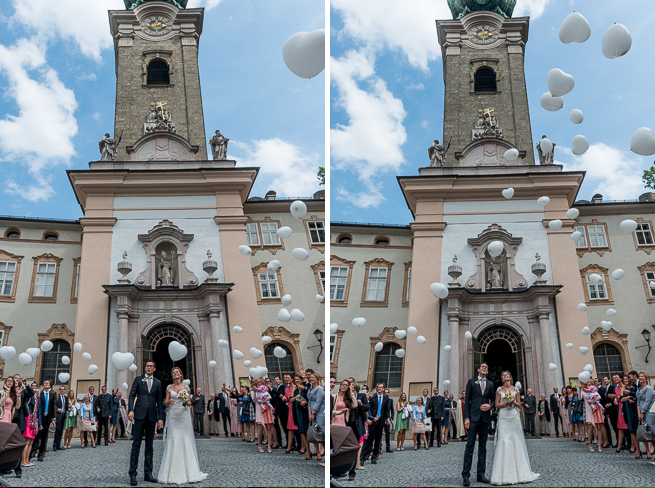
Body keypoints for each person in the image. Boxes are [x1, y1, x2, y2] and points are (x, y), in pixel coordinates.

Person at [157, 367, 208, 484]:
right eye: (174, 372)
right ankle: (170, 472)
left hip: (183, 416)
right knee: (174, 439)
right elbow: (165, 401)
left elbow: (190, 403)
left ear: (181, 375)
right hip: (173, 415)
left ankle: (189, 472)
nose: (175, 373)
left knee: (184, 439)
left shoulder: (186, 387)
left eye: (177, 372)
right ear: (172, 375)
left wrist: (186, 401)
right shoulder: (169, 387)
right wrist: (168, 402)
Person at [490, 371, 539, 485]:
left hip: (513, 416)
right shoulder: (499, 390)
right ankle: (502, 474)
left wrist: (512, 402)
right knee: (503, 440)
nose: (505, 376)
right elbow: (497, 404)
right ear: (502, 379)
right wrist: (505, 404)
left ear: (510, 377)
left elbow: (519, 404)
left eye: (507, 375)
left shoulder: (515, 390)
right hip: (503, 417)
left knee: (515, 440)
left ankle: (520, 472)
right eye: (503, 375)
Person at [127, 360, 164, 486]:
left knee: (149, 447)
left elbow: (159, 401)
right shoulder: (138, 380)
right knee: (136, 444)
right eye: (147, 366)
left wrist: (160, 418)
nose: (148, 368)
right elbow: (131, 396)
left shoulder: (158, 383)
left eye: (150, 366)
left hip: (152, 417)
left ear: (154, 368)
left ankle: (148, 473)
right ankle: (133, 474)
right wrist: (131, 410)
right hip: (139, 415)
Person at [462, 362, 494, 487]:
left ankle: (481, 474)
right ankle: (465, 475)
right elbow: (467, 400)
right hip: (473, 418)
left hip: (485, 419)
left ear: (488, 371)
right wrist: (466, 418)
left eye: (486, 367)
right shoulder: (471, 382)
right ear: (478, 369)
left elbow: (494, 401)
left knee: (483, 448)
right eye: (483, 367)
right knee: (470, 446)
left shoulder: (490, 384)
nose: (485, 368)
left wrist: (490, 406)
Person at [359, 382, 390, 466]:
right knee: (369, 440)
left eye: (380, 387)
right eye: (378, 387)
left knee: (378, 441)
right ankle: (362, 458)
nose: (379, 388)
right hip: (373, 421)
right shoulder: (373, 398)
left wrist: (388, 418)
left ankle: (374, 457)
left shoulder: (386, 399)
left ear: (383, 389)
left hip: (380, 422)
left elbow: (387, 410)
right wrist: (371, 417)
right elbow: (369, 409)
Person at [636, 372, 655, 463]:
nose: (640, 378)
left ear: (646, 379)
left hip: (649, 412)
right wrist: (639, 413)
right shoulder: (639, 389)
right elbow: (638, 402)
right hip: (642, 412)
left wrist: (643, 411)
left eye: (642, 376)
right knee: (644, 432)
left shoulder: (649, 388)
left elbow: (648, 400)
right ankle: (647, 450)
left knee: (651, 432)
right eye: (639, 376)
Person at [21, 381, 40, 468]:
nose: (35, 388)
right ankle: (22, 460)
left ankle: (27, 459)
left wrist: (39, 423)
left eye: (36, 386)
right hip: (28, 419)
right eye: (33, 386)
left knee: (31, 442)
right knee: (26, 441)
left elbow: (39, 412)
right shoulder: (29, 397)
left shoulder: (38, 400)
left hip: (34, 421)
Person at [291, 374, 310, 458]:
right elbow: (291, 400)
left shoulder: (306, 388)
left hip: (305, 410)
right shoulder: (294, 389)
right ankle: (304, 447)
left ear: (302, 380)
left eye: (298, 379)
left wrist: (305, 401)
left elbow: (310, 397)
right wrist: (296, 397)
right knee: (301, 429)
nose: (297, 381)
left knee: (306, 429)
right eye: (296, 379)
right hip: (297, 409)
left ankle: (307, 447)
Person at [307, 372, 325, 462]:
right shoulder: (310, 389)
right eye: (311, 377)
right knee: (314, 432)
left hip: (319, 412)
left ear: (317, 379)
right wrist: (310, 414)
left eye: (313, 377)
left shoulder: (320, 388)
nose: (312, 378)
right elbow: (309, 402)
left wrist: (314, 413)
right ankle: (317, 452)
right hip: (312, 413)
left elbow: (319, 401)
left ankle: (325, 450)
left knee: (321, 432)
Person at [620, 374, 639, 455]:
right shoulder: (623, 388)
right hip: (626, 409)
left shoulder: (634, 388)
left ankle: (637, 446)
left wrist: (629, 396)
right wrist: (629, 397)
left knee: (636, 428)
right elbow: (621, 400)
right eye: (624, 379)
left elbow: (637, 397)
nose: (626, 381)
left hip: (634, 409)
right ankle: (633, 446)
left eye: (627, 379)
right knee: (630, 428)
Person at [37, 379, 55, 461]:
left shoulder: (51, 395)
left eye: (47, 383)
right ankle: (32, 451)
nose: (46, 384)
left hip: (47, 417)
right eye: (45, 383)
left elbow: (53, 407)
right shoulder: (40, 394)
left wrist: (53, 418)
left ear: (50, 386)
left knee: (44, 436)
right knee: (37, 435)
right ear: (43, 385)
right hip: (39, 417)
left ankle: (41, 453)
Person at [52, 385, 68, 451]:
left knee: (61, 430)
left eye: (63, 389)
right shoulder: (57, 397)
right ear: (59, 390)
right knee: (57, 430)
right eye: (61, 389)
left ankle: (58, 444)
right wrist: (57, 409)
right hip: (58, 415)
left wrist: (69, 408)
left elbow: (66, 406)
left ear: (64, 390)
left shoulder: (66, 398)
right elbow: (53, 405)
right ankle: (55, 445)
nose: (62, 390)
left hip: (63, 415)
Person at [383, 388, 394, 453]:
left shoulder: (390, 400)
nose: (386, 393)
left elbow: (392, 410)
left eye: (387, 392)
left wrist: (391, 417)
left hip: (388, 419)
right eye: (385, 392)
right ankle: (379, 447)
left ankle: (388, 447)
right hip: (381, 419)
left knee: (387, 433)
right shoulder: (382, 400)